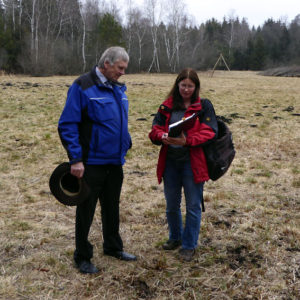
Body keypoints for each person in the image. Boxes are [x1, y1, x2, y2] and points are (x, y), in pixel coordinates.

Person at [58, 46, 136, 274]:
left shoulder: (118, 89)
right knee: (86, 210)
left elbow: (117, 120)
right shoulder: (82, 86)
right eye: (120, 68)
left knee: (112, 207)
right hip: (91, 164)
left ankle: (113, 247)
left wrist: (126, 140)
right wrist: (75, 159)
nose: (123, 72)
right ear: (107, 63)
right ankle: (82, 256)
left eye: (124, 69)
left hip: (115, 162)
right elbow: (67, 124)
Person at [149, 68, 218, 262]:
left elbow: (210, 132)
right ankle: (175, 238)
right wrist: (162, 136)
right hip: (170, 162)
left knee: (193, 206)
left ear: (196, 87)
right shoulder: (166, 106)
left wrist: (187, 140)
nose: (186, 89)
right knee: (172, 205)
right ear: (177, 85)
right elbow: (154, 130)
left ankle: (189, 245)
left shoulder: (204, 107)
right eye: (183, 85)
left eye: (190, 86)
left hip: (193, 163)